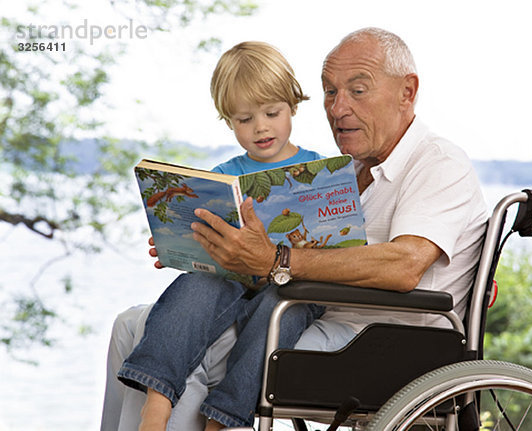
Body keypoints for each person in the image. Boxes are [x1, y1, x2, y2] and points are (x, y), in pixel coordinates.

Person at [103, 26, 488, 430]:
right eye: (330, 92)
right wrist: (192, 243)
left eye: (358, 90)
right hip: (304, 310)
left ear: (407, 92)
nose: (338, 109)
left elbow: (405, 265)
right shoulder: (347, 172)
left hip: (374, 341)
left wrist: (277, 260)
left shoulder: (438, 162)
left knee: (171, 341)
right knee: (129, 324)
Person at [100, 41, 325, 431]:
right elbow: (200, 238)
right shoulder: (222, 174)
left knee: (283, 308)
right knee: (196, 282)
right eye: (243, 119)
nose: (260, 127)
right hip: (231, 278)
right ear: (227, 120)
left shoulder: (319, 171)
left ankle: (223, 419)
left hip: (291, 283)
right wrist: (177, 245)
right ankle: (156, 403)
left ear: (293, 105)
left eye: (272, 113)